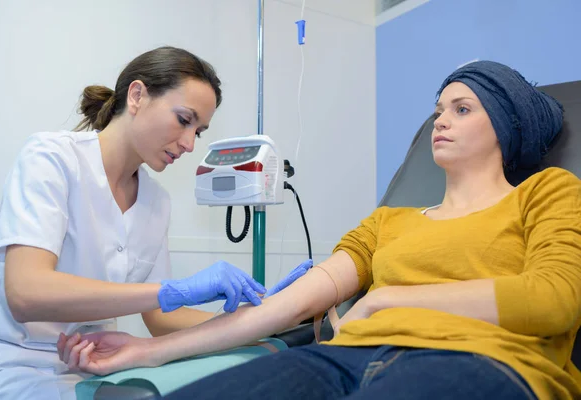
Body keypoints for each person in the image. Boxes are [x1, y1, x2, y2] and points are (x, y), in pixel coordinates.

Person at [59, 61, 581, 399]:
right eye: (438, 109)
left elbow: (554, 299)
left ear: (506, 128)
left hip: (482, 362)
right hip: (343, 358)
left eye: (462, 109)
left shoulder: (547, 192)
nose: (440, 120)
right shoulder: (388, 223)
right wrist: (142, 351)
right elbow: (280, 310)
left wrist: (389, 300)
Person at [0, 46, 311, 400]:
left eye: (198, 131)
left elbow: (160, 319)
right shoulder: (51, 159)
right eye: (185, 120)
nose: (188, 144)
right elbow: (25, 293)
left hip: (97, 366)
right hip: (17, 366)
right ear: (137, 96)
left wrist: (265, 318)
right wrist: (173, 290)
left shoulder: (156, 201)